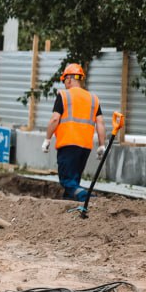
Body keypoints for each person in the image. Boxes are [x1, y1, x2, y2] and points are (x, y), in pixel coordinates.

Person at [41, 63, 108, 202]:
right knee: (74, 180)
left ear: (70, 79)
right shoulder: (93, 99)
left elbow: (54, 119)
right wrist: (102, 145)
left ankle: (88, 198)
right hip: (85, 147)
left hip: (68, 144)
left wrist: (47, 139)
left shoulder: (64, 95)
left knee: (67, 180)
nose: (64, 83)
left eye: (64, 79)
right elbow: (100, 123)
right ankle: (69, 203)